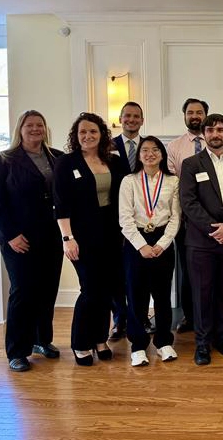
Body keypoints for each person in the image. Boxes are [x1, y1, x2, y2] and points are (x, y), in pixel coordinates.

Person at [0, 110, 64, 372]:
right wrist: (10, 235)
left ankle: (42, 340)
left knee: (47, 289)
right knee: (23, 291)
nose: (35, 129)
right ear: (20, 129)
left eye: (39, 125)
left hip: (51, 236)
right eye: (30, 125)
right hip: (19, 239)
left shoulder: (56, 158)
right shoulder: (3, 160)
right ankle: (17, 351)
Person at [54, 112, 128, 366]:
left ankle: (99, 339)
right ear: (76, 136)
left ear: (102, 135)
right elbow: (61, 203)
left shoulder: (115, 162)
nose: (88, 136)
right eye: (83, 132)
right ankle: (80, 343)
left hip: (112, 235)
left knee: (106, 290)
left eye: (93, 131)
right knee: (90, 289)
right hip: (82, 237)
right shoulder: (66, 163)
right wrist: (67, 238)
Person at [179, 113, 223, 365]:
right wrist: (214, 229)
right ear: (203, 134)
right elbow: (188, 202)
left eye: (220, 129)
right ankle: (202, 344)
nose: (215, 134)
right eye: (210, 130)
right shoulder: (190, 164)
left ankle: (221, 337)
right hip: (200, 243)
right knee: (201, 294)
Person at [118, 136, 180, 366]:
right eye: (145, 150)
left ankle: (164, 342)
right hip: (136, 242)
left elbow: (176, 218)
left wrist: (162, 244)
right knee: (136, 296)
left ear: (162, 155)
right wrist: (141, 245)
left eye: (155, 150)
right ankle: (138, 345)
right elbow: (124, 218)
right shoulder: (129, 181)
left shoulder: (173, 181)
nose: (150, 154)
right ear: (139, 155)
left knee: (163, 296)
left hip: (163, 239)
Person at [166, 97, 208, 334]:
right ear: (184, 116)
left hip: (215, 218)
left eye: (199, 112)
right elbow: (173, 183)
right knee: (188, 269)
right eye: (190, 112)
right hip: (186, 218)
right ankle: (190, 317)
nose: (195, 116)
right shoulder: (174, 147)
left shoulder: (217, 141)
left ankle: (209, 315)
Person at [109, 101, 145, 340]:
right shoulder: (107, 146)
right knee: (115, 274)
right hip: (112, 220)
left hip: (143, 218)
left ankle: (139, 319)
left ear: (142, 120)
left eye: (136, 116)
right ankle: (119, 319)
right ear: (120, 119)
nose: (131, 120)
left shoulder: (150, 146)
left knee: (138, 274)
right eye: (127, 116)